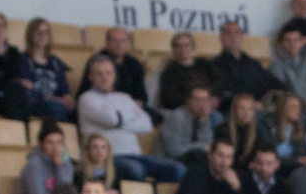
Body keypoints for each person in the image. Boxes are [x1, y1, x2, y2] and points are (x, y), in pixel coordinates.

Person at [80, 54, 181, 183]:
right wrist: (132, 114)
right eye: (99, 73)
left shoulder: (124, 97)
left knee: (177, 169)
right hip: (108, 158)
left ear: (114, 76)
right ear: (90, 77)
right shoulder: (87, 98)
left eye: (108, 73)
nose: (104, 77)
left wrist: (120, 118)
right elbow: (113, 120)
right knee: (136, 170)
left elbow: (146, 124)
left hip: (135, 155)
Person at [10, 122, 75, 194]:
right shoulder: (33, 164)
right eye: (50, 143)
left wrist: (60, 167)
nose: (55, 147)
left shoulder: (65, 163)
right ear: (41, 144)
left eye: (58, 142)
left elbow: (66, 193)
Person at [210, 21, 278, 109]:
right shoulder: (214, 65)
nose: (232, 36)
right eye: (228, 33)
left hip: (257, 112)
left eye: (237, 33)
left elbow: (274, 85)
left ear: (241, 36)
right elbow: (221, 96)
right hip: (229, 112)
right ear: (221, 37)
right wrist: (250, 104)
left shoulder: (253, 64)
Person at [77, 27, 148, 108]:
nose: (119, 44)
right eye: (114, 40)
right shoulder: (97, 62)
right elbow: (88, 91)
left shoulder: (134, 64)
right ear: (106, 43)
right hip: (103, 106)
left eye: (123, 41)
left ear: (128, 44)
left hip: (131, 107)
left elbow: (141, 94)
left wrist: (139, 102)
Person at [20, 18, 74, 120]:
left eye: (46, 32)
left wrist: (67, 97)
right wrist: (56, 100)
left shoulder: (56, 62)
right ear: (30, 35)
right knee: (55, 107)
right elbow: (29, 91)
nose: (42, 36)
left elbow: (63, 86)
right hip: (36, 104)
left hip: (57, 104)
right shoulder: (23, 60)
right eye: (38, 32)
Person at [159, 84, 217, 172]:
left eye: (204, 100)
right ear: (188, 100)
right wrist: (200, 146)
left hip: (193, 160)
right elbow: (174, 150)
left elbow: (208, 145)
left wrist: (204, 123)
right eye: (197, 99)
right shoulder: (177, 117)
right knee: (198, 157)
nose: (201, 104)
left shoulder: (204, 118)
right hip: (169, 161)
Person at [268, 21, 306, 115]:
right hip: (288, 113)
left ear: (301, 42)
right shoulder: (276, 66)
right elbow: (282, 95)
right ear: (281, 43)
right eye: (288, 40)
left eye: (296, 40)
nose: (293, 44)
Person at [158, 31, 212, 112]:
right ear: (173, 49)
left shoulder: (204, 64)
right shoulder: (169, 72)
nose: (183, 49)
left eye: (186, 45)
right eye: (179, 46)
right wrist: (192, 103)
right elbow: (168, 99)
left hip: (207, 105)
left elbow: (216, 83)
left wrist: (209, 100)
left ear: (193, 47)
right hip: (183, 108)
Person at [260, 90, 306, 171]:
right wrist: (296, 161)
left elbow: (301, 155)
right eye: (294, 107)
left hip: (293, 170)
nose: (298, 111)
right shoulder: (267, 125)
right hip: (270, 169)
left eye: (299, 107)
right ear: (283, 108)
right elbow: (269, 155)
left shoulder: (298, 128)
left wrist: (298, 161)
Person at [217, 92, 263, 171]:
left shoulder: (258, 130)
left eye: (250, 109)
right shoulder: (223, 129)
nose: (246, 112)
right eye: (242, 108)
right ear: (234, 109)